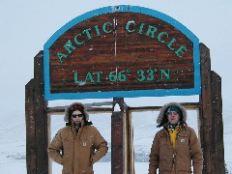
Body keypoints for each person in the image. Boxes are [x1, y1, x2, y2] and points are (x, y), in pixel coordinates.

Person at [48, 102, 108, 174]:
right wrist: (63, 161)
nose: (77, 118)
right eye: (74, 116)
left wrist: (92, 159)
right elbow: (52, 149)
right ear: (70, 116)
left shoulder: (92, 130)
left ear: (84, 116)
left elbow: (103, 146)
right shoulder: (63, 132)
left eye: (80, 115)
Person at [148, 102, 203, 174]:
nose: (172, 116)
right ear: (166, 116)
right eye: (170, 113)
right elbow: (153, 158)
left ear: (180, 115)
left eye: (175, 113)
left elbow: (197, 155)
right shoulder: (159, 135)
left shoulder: (189, 132)